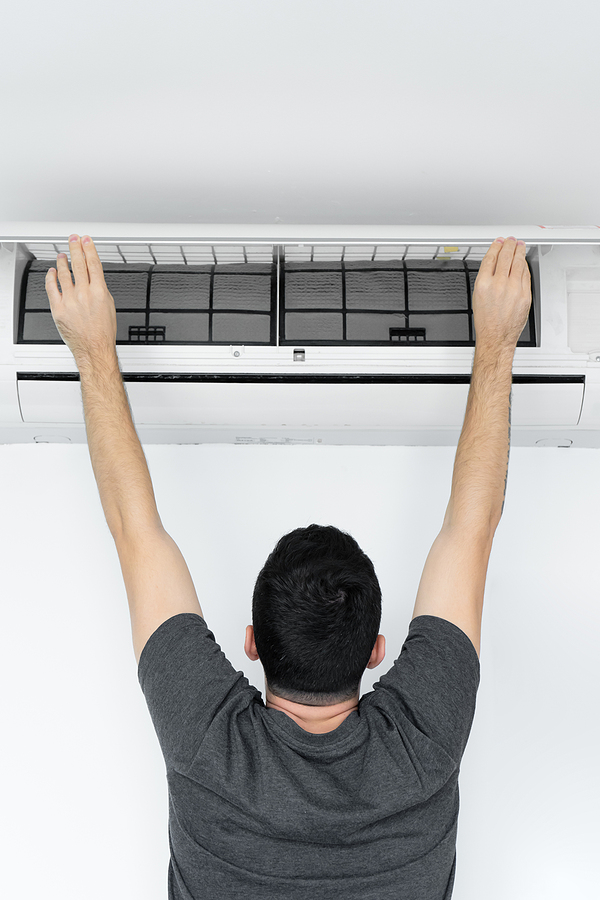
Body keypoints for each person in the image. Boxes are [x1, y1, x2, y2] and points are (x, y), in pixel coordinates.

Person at [45, 234, 532, 899]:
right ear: (375, 652)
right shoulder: (421, 743)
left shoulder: (209, 743)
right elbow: (470, 532)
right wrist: (499, 342)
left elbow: (138, 533)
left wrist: (93, 349)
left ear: (252, 642)